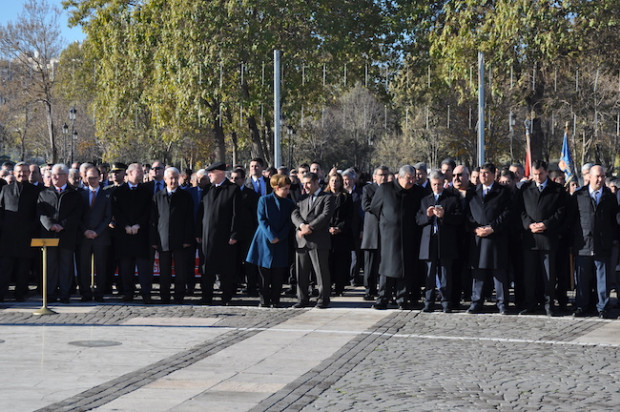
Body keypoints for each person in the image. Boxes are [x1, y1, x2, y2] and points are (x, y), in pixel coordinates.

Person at [517, 160, 568, 316]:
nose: (538, 177)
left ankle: (549, 304)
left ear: (546, 172)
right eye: (535, 174)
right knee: (530, 275)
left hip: (548, 238)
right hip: (530, 239)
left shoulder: (557, 190)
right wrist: (529, 225)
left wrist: (546, 224)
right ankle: (531, 304)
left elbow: (561, 211)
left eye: (540, 173)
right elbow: (520, 210)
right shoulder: (525, 189)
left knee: (549, 275)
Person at [370, 165, 424, 310]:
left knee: (406, 268)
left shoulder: (418, 192)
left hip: (409, 235)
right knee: (386, 268)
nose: (412, 181)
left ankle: (402, 299)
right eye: (409, 178)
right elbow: (375, 208)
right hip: (388, 236)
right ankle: (383, 298)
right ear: (399, 177)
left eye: (414, 178)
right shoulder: (385, 189)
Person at [570, 165, 620, 318]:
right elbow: (572, 220)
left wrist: (614, 239)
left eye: (603, 176)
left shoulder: (610, 196)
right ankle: (582, 306)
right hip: (583, 243)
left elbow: (615, 220)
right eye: (597, 176)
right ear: (589, 177)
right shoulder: (579, 195)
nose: (600, 179)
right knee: (583, 278)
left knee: (602, 279)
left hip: (602, 244)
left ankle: (602, 307)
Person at [465, 162, 511, 315]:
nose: (483, 176)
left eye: (486, 173)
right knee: (478, 272)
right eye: (481, 173)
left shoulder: (503, 192)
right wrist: (475, 228)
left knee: (499, 273)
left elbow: (507, 213)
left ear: (493, 175)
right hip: (478, 237)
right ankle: (476, 301)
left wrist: (492, 227)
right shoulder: (472, 192)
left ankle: (502, 303)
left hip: (496, 238)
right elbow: (468, 214)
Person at [416, 170, 463, 313]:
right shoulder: (425, 200)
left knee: (445, 274)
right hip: (429, 241)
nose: (437, 187)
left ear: (444, 184)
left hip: (445, 242)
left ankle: (445, 302)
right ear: (431, 184)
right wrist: (428, 216)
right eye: (434, 184)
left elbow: (459, 219)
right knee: (429, 274)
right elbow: (418, 220)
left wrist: (444, 216)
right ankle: (429, 302)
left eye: (440, 184)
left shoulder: (452, 199)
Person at [246, 174, 296, 308]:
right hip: (264, 241)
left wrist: (280, 236)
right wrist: (271, 235)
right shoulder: (264, 200)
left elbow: (289, 223)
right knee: (264, 274)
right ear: (277, 188)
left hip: (281, 241)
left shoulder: (289, 203)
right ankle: (264, 300)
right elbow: (262, 219)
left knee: (278, 273)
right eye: (284, 189)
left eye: (288, 189)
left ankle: (276, 299)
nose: (287, 191)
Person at [37, 164, 84, 303]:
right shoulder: (44, 193)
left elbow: (77, 214)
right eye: (52, 175)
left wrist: (62, 225)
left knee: (66, 266)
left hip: (67, 236)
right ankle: (50, 294)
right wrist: (51, 225)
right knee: (50, 266)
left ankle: (64, 294)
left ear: (65, 176)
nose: (54, 177)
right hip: (49, 236)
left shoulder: (74, 194)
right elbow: (40, 213)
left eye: (58, 174)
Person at [197, 162, 241, 305]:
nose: (208, 175)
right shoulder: (207, 190)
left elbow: (237, 214)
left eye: (211, 172)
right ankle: (206, 296)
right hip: (207, 237)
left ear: (220, 173)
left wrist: (234, 234)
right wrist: (198, 232)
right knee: (206, 268)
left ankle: (226, 297)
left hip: (225, 237)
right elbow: (201, 213)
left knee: (226, 269)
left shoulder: (233, 189)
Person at [150, 167, 194, 304]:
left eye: (176, 178)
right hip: (163, 239)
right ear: (165, 179)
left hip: (180, 240)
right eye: (170, 178)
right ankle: (165, 296)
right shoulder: (157, 196)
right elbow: (153, 220)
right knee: (164, 271)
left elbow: (189, 219)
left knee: (180, 270)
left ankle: (179, 295)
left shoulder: (186, 196)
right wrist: (154, 240)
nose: (173, 180)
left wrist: (187, 239)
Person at [291, 172, 335, 308]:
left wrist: (310, 227)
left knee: (321, 272)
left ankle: (323, 299)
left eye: (309, 183)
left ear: (317, 183)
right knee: (301, 272)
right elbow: (294, 213)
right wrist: (301, 226)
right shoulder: (302, 198)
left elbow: (325, 215)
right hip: (302, 240)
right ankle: (302, 298)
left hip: (318, 240)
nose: (306, 186)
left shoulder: (327, 197)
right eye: (304, 183)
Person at [111, 163, 153, 303]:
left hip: (141, 234)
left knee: (143, 267)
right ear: (129, 173)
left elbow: (149, 211)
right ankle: (128, 292)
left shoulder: (147, 191)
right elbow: (116, 211)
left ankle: (146, 293)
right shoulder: (118, 191)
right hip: (124, 234)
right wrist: (125, 226)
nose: (141, 173)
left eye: (142, 171)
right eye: (138, 171)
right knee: (126, 266)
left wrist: (138, 225)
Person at [0, 162, 42, 302]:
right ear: (14, 172)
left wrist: (31, 228)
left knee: (23, 268)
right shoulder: (6, 189)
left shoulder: (36, 191)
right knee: (5, 267)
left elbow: (38, 214)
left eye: (24, 171)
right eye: (19, 171)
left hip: (27, 235)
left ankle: (20, 294)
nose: (22, 174)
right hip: (8, 236)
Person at [78, 166, 112, 302]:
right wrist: (85, 230)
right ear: (85, 178)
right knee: (83, 266)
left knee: (101, 266)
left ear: (100, 178)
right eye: (89, 178)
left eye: (95, 178)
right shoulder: (81, 194)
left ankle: (99, 294)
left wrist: (97, 231)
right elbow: (77, 216)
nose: (92, 180)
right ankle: (85, 293)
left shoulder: (106, 195)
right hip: (84, 236)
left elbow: (108, 216)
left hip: (101, 236)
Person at [231, 168, 260, 296]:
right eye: (232, 178)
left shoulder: (252, 195)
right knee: (233, 261)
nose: (234, 181)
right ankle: (233, 284)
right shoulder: (228, 192)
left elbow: (255, 216)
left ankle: (251, 286)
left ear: (243, 179)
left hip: (248, 234)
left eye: (237, 178)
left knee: (249, 262)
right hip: (232, 234)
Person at [325, 172, 353, 296]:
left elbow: (350, 216)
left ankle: (339, 287)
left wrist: (340, 228)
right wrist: (328, 228)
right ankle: (328, 286)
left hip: (341, 234)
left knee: (340, 262)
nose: (334, 183)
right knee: (327, 261)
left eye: (336, 181)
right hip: (326, 234)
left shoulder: (346, 197)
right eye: (332, 181)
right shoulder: (324, 196)